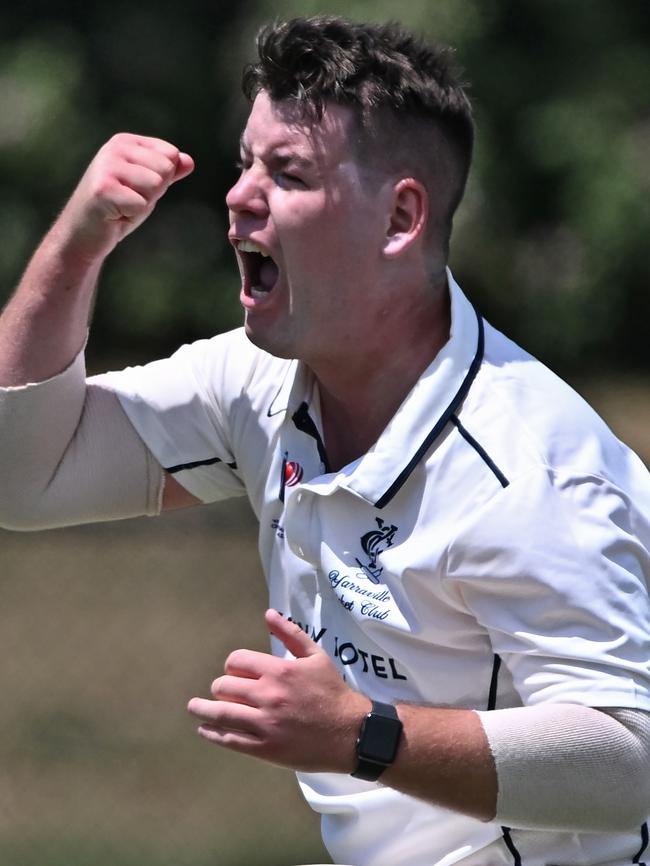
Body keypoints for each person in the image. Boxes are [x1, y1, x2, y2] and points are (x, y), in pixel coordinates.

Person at [1, 15, 650, 866]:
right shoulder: (261, 381)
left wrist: (360, 734)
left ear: (400, 217)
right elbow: (26, 478)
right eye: (245, 163)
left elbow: (628, 761)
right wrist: (79, 245)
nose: (238, 196)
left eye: (289, 172)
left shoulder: (531, 470)